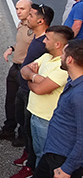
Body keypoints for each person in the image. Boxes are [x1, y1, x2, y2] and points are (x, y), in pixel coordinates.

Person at [19, 26, 73, 169]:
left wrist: (31, 80)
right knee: (36, 151)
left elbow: (39, 89)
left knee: (44, 156)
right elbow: (24, 70)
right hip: (34, 112)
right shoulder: (46, 57)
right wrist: (36, 78)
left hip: (46, 119)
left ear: (57, 44)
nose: (44, 41)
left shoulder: (63, 67)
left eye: (47, 39)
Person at [12, 3, 54, 178]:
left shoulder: (45, 45)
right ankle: (28, 155)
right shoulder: (36, 39)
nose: (26, 17)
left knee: (32, 133)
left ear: (41, 20)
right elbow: (26, 68)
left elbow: (36, 74)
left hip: (31, 93)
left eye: (30, 16)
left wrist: (30, 78)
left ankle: (31, 166)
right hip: (24, 89)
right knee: (24, 126)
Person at [33, 39, 83, 178]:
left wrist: (67, 169)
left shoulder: (79, 95)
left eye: (63, 54)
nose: (60, 56)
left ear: (70, 60)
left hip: (64, 161)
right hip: (53, 153)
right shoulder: (73, 82)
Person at [0, 0, 33, 146]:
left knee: (23, 104)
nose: (18, 12)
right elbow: (21, 43)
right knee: (10, 100)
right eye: (17, 8)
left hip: (25, 70)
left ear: (31, 10)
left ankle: (22, 134)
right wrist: (12, 48)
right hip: (15, 67)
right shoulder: (21, 25)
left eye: (22, 9)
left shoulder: (35, 29)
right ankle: (9, 129)